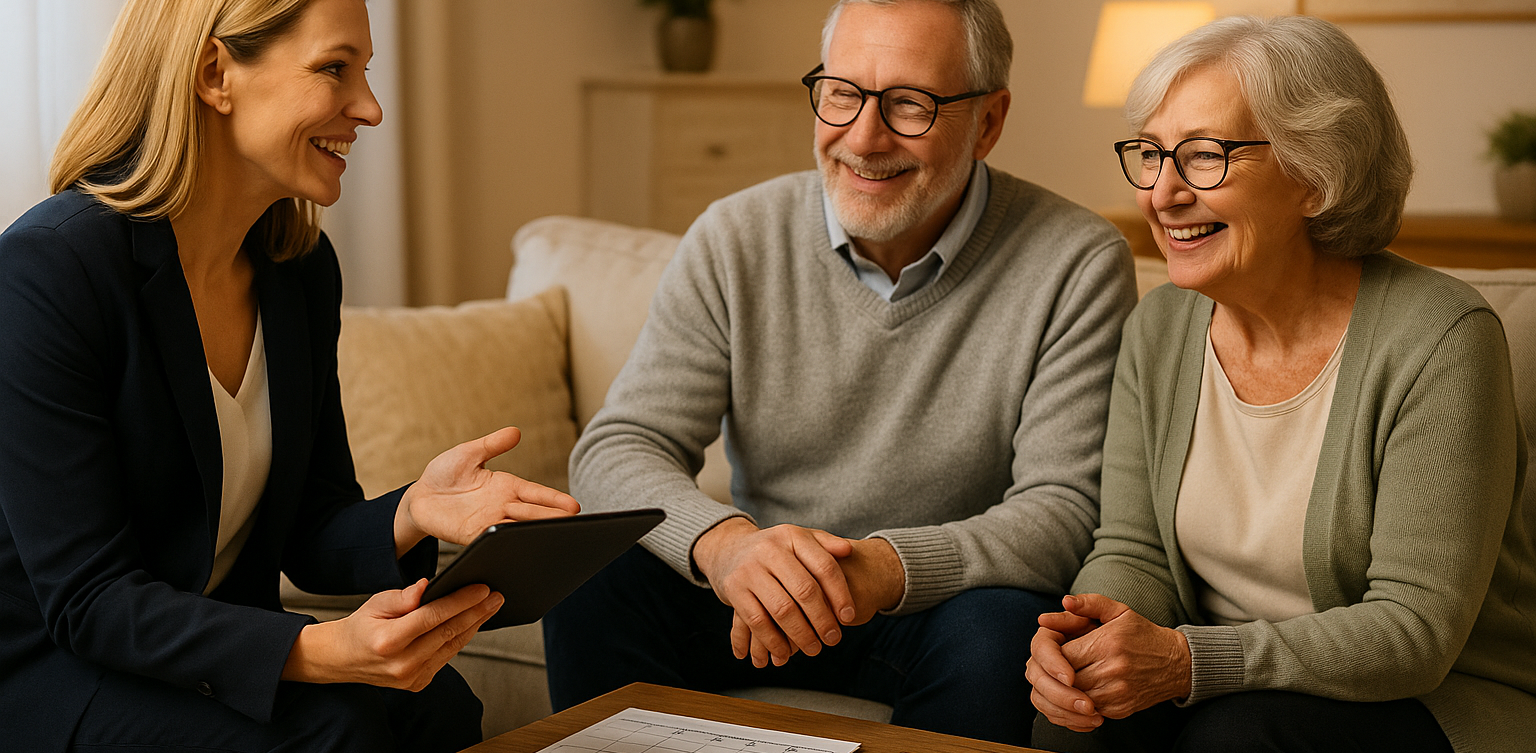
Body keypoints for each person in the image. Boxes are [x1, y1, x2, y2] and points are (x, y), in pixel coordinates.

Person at [541, 0, 1137, 745]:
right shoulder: (735, 237)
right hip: (754, 591)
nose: (863, 136)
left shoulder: (1076, 263)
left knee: (1001, 628)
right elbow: (617, 445)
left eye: (910, 104)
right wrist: (725, 545)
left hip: (930, 608)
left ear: (988, 121)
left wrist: (883, 568)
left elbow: (1062, 510)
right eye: (842, 92)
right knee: (591, 581)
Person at [0, 0, 581, 751]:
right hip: (55, 670)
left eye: (365, 73)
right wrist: (317, 651)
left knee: (434, 704)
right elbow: (89, 600)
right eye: (334, 69)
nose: (369, 108)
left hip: (195, 657)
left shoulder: (298, 270)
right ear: (216, 74)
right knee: (337, 729)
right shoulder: (50, 271)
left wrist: (417, 509)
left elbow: (311, 527)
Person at [1026, 15, 1536, 753]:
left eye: (1203, 157)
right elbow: (1132, 548)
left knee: (1238, 739)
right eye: (1150, 154)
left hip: (1439, 694)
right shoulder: (1161, 326)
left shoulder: (1442, 339)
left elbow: (1414, 629)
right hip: (1212, 678)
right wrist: (1092, 640)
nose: (1162, 193)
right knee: (1073, 726)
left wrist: (1190, 662)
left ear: (1315, 174)